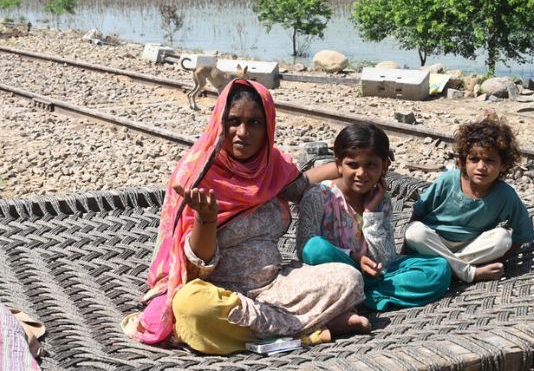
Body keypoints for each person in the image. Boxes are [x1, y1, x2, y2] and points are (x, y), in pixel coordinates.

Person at [122, 79, 369, 355]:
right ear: (220, 123)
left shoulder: (272, 166)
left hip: (275, 287)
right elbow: (195, 270)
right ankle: (308, 332)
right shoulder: (197, 174)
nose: (242, 132)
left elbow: (303, 185)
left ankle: (277, 328)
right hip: (219, 293)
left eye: (254, 123)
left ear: (268, 128)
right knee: (191, 308)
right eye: (233, 121)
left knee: (349, 278)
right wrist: (206, 220)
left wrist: (350, 170)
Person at [296, 123, 451, 311]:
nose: (361, 174)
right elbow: (306, 252)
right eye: (353, 165)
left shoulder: (381, 199)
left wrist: (371, 213)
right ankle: (362, 293)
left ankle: (361, 297)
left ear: (384, 166)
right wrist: (354, 258)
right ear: (339, 164)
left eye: (371, 165)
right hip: (335, 274)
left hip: (377, 275)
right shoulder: (318, 196)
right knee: (315, 247)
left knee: (439, 268)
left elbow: (385, 259)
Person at [404, 113, 534, 283]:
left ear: (503, 164)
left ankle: (446, 267)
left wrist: (500, 259)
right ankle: (467, 273)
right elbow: (418, 212)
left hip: (471, 248)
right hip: (435, 241)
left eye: (489, 160)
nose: (481, 167)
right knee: (414, 231)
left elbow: (521, 234)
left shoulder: (505, 195)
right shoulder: (448, 180)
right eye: (474, 159)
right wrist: (404, 255)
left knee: (502, 238)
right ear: (463, 160)